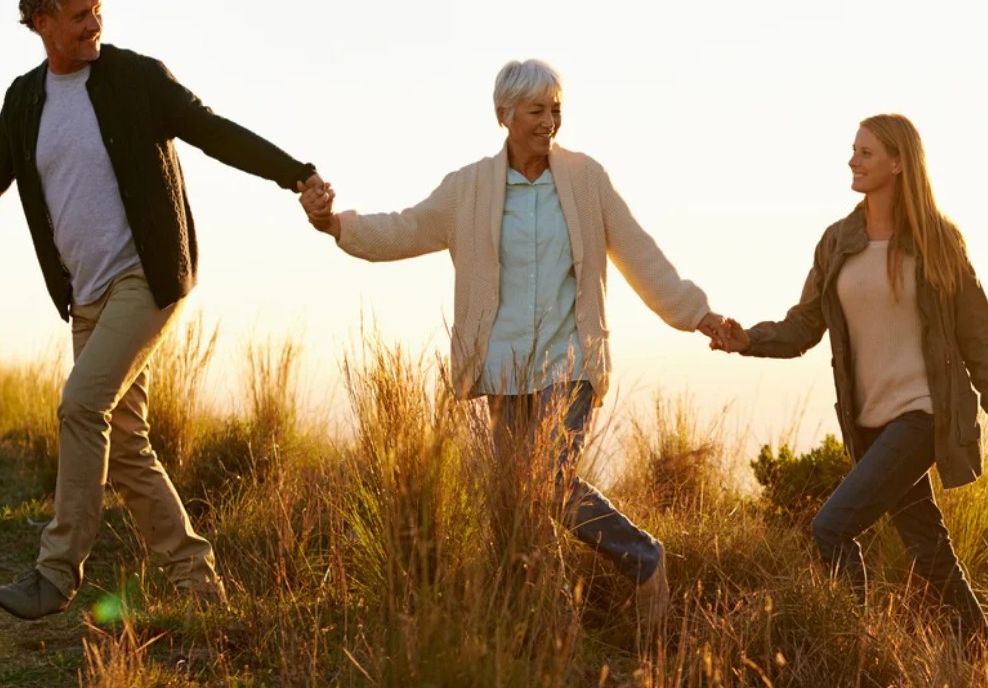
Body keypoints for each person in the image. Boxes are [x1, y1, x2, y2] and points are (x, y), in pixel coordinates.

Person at [0, 0, 322, 620]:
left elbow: (213, 132)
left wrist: (295, 174)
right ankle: (201, 585)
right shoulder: (25, 102)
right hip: (87, 296)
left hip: (147, 279)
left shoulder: (136, 79)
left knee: (80, 408)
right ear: (42, 22)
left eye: (97, 9)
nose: (93, 23)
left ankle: (55, 573)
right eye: (78, 14)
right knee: (126, 450)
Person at [297, 59, 724, 627]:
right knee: (516, 507)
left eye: (556, 109)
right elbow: (402, 228)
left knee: (548, 482)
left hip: (569, 361)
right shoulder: (469, 188)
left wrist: (698, 314)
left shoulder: (585, 180)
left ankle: (644, 560)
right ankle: (548, 620)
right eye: (536, 110)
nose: (550, 121)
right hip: (503, 368)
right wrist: (334, 225)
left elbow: (639, 253)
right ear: (505, 115)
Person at [710, 114, 988, 650]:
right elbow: (805, 325)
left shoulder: (939, 242)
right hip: (871, 426)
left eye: (866, 153)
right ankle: (986, 651)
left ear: (899, 163)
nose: (853, 161)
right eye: (853, 151)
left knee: (829, 528)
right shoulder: (837, 242)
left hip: (923, 415)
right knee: (928, 548)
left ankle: (852, 648)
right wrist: (749, 340)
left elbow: (977, 336)